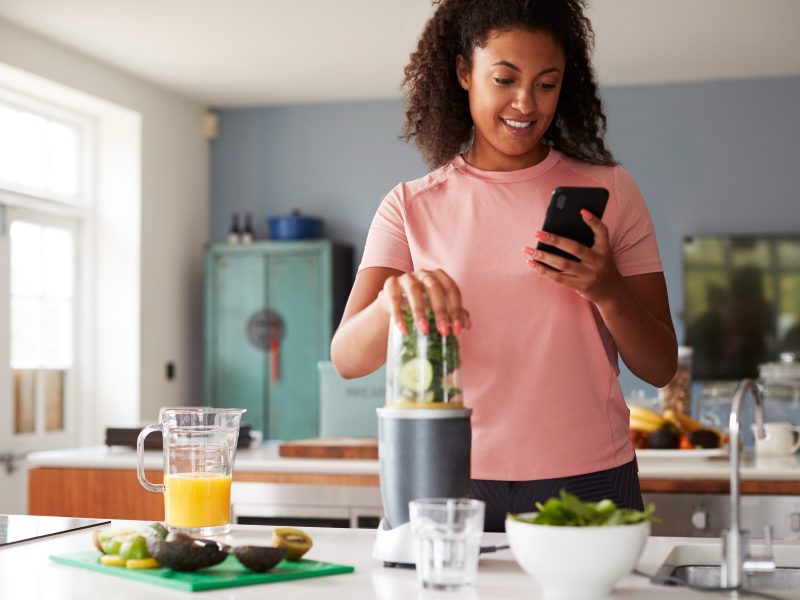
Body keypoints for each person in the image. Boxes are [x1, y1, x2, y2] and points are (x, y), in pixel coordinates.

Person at [331, 0, 677, 532]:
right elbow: (348, 359)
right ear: (464, 73)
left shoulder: (611, 191)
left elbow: (660, 366)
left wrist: (606, 290)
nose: (525, 103)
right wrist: (392, 303)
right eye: (504, 78)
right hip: (447, 475)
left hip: (589, 476)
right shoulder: (410, 206)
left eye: (546, 82)